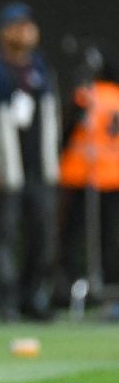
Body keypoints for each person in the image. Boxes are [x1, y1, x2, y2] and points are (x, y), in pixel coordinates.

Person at [0, 3, 61, 321]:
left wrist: (52, 161)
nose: (26, 31)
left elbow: (51, 117)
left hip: (37, 165)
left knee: (41, 236)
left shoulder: (40, 69)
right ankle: (8, 300)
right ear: (4, 32)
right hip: (8, 167)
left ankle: (32, 295)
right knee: (5, 235)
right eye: (18, 25)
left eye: (29, 24)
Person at [57, 52, 119, 299]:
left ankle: (70, 285)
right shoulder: (116, 96)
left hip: (82, 174)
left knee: (71, 235)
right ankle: (109, 283)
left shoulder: (87, 95)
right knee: (108, 235)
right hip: (113, 175)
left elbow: (69, 130)